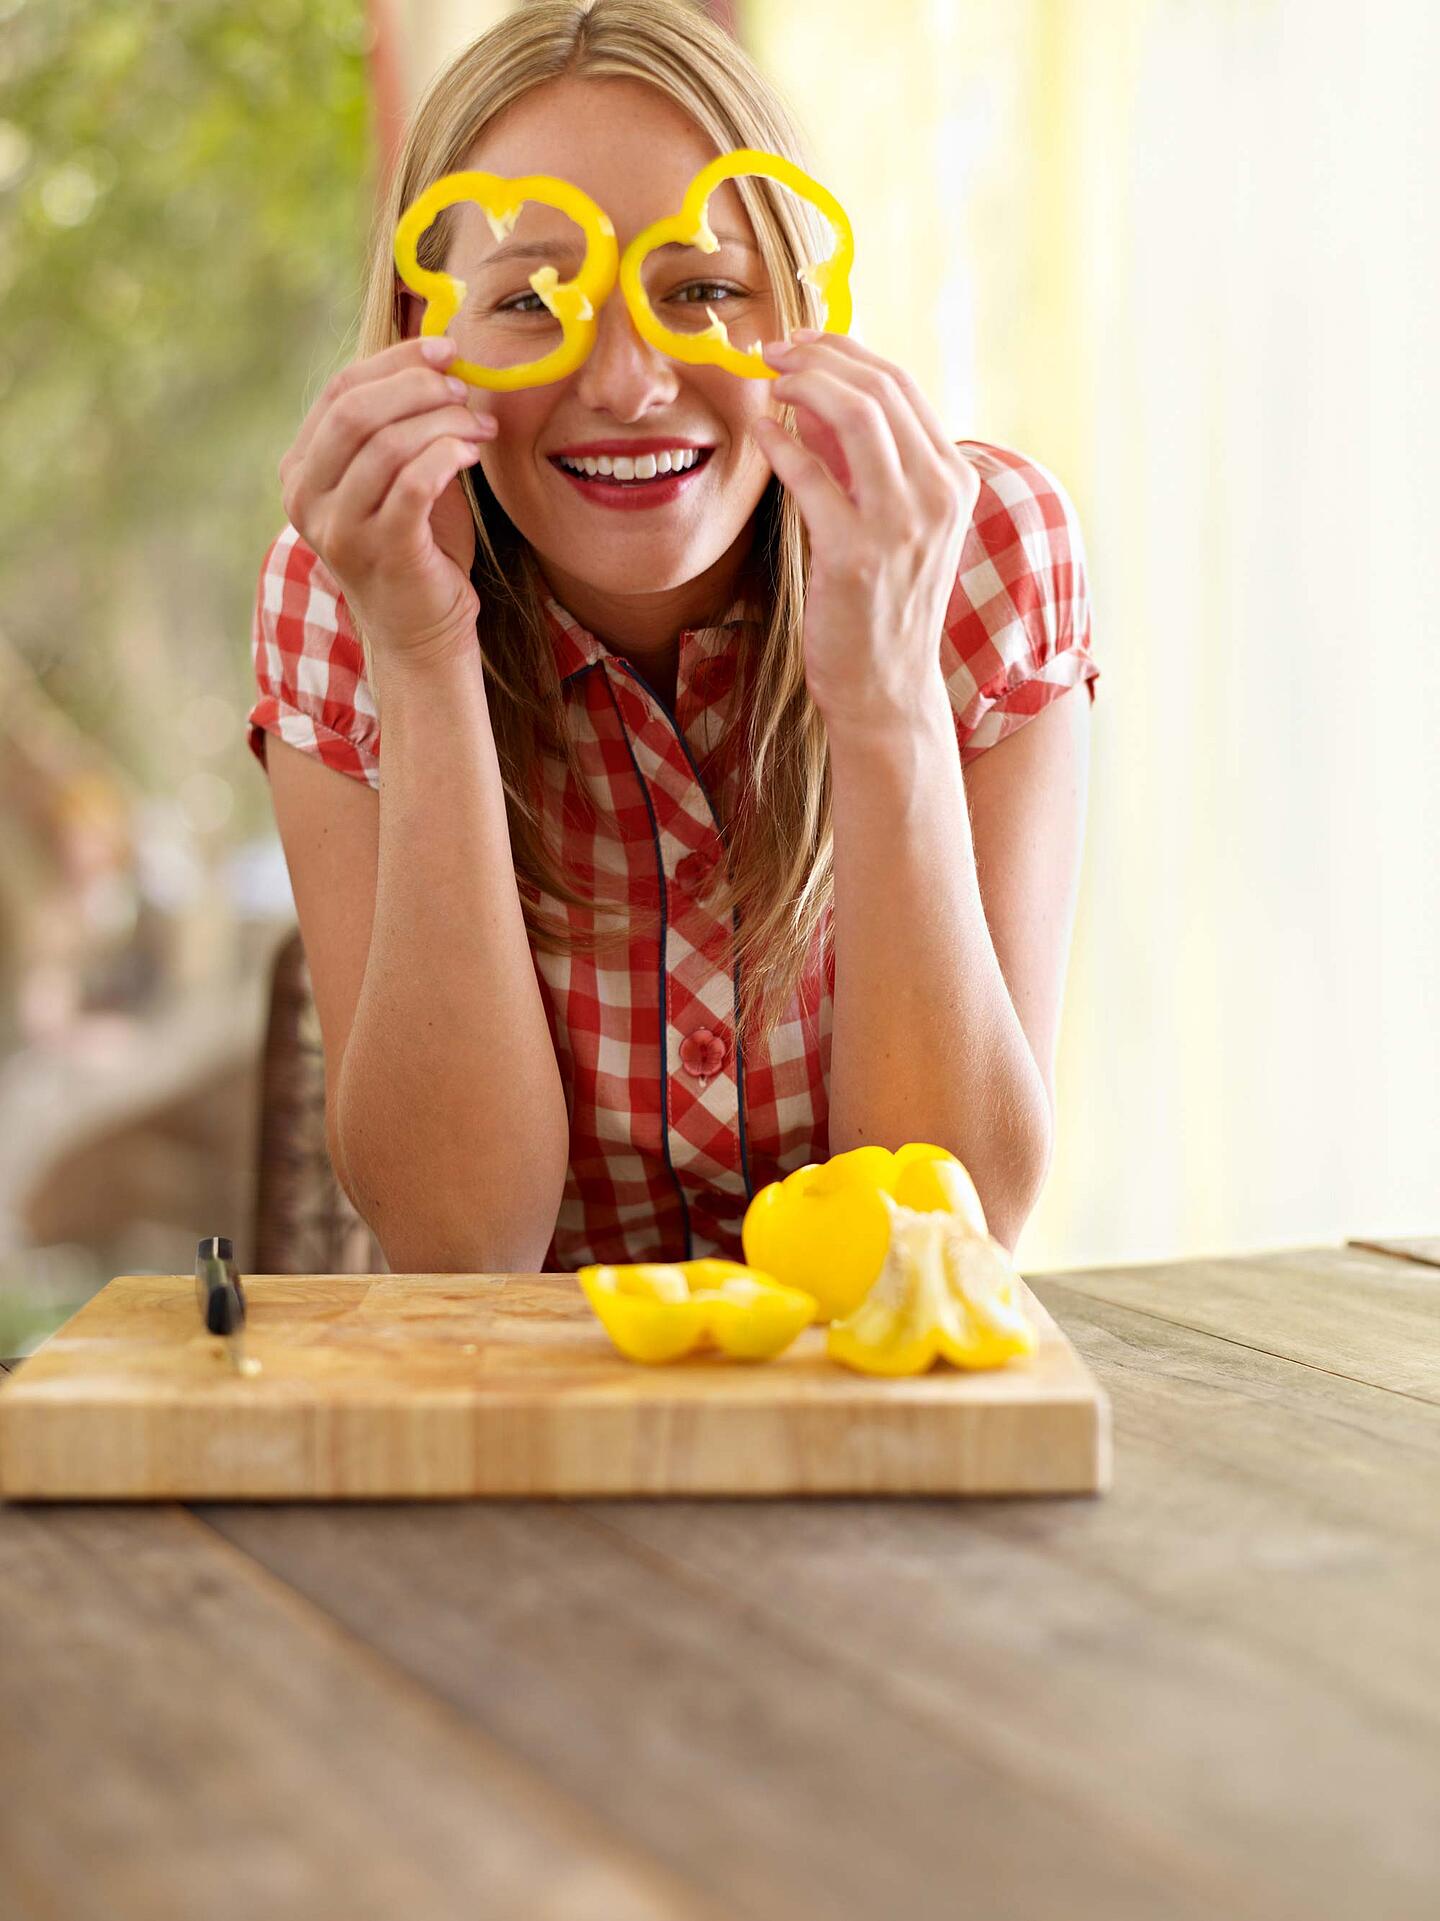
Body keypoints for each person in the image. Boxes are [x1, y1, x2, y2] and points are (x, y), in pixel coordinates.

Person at [246, 0, 1099, 1277]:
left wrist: (884, 701)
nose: (630, 379)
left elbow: (947, 1233)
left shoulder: (981, 554)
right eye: (534, 300)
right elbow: (461, 1244)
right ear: (432, 344)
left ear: (801, 312)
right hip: (522, 1431)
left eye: (703, 288)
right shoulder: (348, 590)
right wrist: (422, 653)